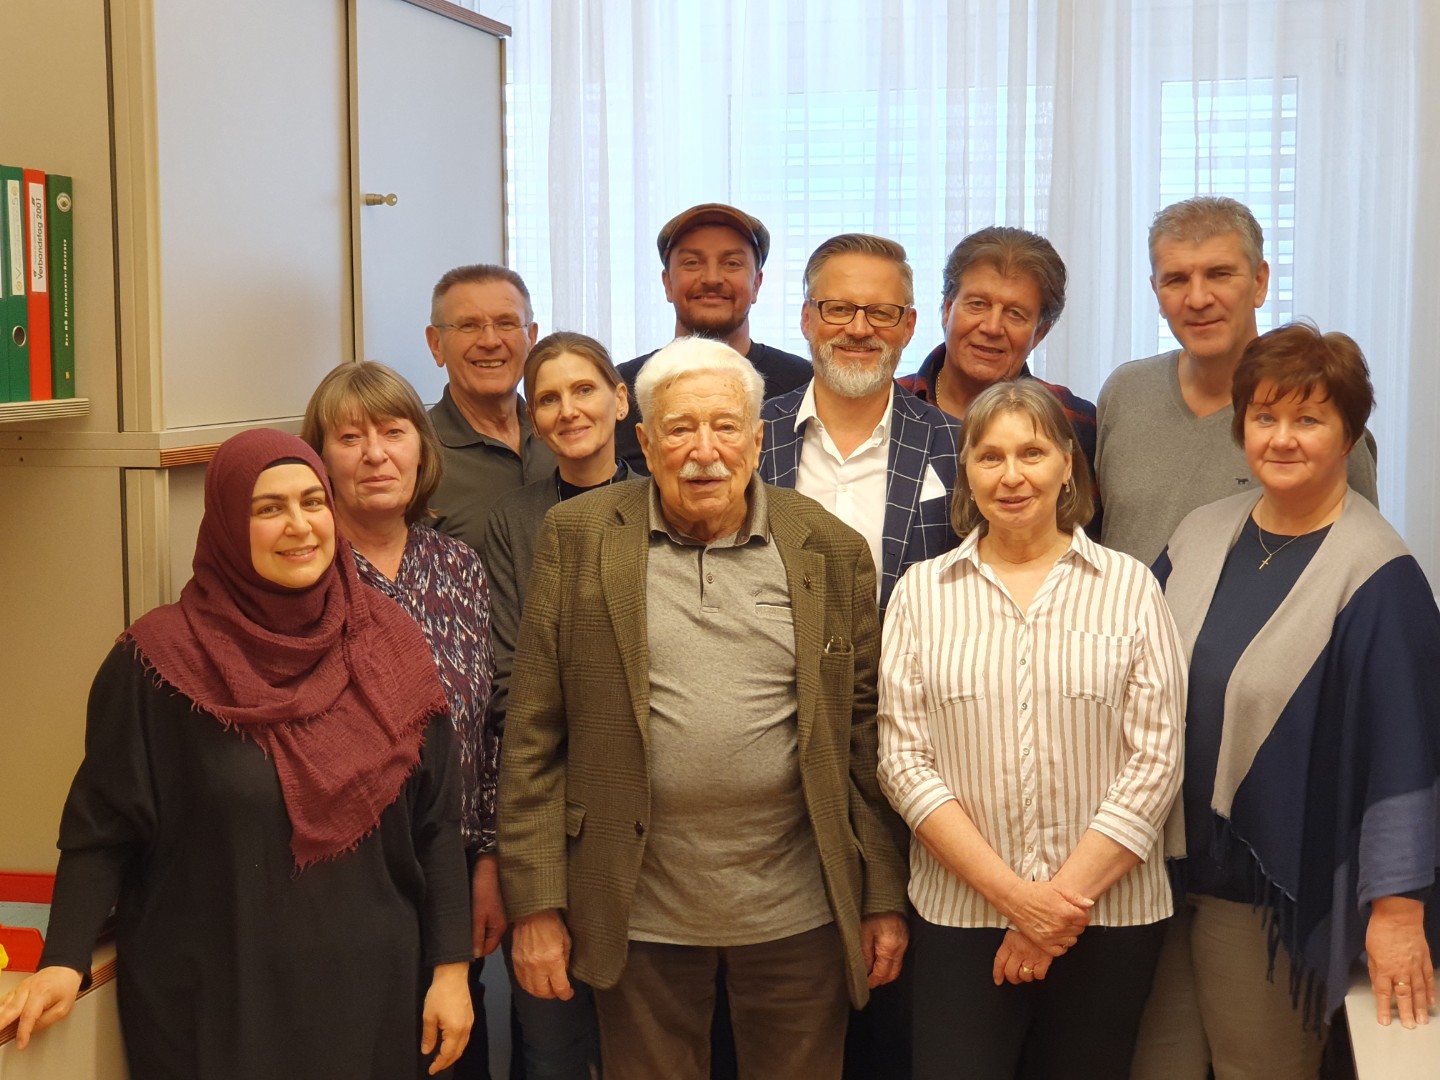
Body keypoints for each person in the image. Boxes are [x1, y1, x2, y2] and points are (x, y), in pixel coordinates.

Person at [497, 337, 910, 1080]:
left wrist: (882, 894)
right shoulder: (579, 536)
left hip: (799, 909)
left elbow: (862, 735)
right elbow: (533, 734)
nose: (704, 451)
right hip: (637, 907)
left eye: (725, 427)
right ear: (645, 441)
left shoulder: (829, 547)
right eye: (680, 429)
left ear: (757, 439)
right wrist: (534, 906)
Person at [0, 429, 472, 1078]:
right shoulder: (159, 665)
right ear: (225, 522)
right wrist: (62, 960)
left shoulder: (389, 642)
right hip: (217, 1007)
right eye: (268, 508)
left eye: (312, 501)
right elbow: (101, 833)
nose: (299, 525)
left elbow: (437, 825)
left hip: (374, 999)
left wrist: (450, 970)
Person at [1130, 324, 1440, 1080]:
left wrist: (1399, 913)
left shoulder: (1380, 574)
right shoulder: (1200, 534)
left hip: (1269, 892)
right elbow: (1130, 668)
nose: (1282, 438)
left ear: (1349, 436)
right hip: (1155, 876)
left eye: (1309, 418)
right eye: (1264, 416)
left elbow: (1406, 756)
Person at [877, 380, 1186, 1080]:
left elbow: (1157, 759)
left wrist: (1055, 910)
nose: (1011, 476)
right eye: (990, 457)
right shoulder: (921, 594)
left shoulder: (1131, 587)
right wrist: (1020, 902)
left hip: (1108, 919)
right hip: (963, 918)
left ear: (1068, 465)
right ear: (967, 472)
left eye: (1032, 453)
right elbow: (903, 761)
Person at [301, 361, 499, 1080]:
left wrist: (489, 861)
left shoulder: (460, 566)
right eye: (349, 438)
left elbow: (488, 724)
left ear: (421, 446)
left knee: (454, 1055)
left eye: (392, 432)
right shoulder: (302, 574)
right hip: (342, 886)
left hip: (454, 872)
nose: (375, 454)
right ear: (319, 460)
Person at [481, 331, 632, 1078]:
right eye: (547, 399)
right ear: (533, 420)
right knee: (554, 1047)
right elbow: (511, 680)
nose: (568, 410)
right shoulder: (514, 522)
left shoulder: (665, 501)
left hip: (648, 823)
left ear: (620, 400)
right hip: (549, 811)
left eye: (584, 390)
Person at [1095, 196, 1378, 566]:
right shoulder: (1124, 393)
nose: (1198, 299)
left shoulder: (1318, 414)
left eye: (1220, 274)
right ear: (1157, 293)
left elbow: (1361, 560)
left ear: (1260, 282)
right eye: (1177, 280)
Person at [761, 233, 960, 624]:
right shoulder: (753, 435)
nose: (858, 328)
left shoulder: (957, 445)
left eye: (881, 313)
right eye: (838, 309)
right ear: (806, 319)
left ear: (909, 326)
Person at [895, 227, 1097, 496]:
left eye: (1015, 314)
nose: (991, 327)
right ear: (947, 310)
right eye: (977, 304)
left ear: (1039, 333)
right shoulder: (887, 407)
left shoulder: (1075, 422)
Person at [615, 203, 811, 474]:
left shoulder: (804, 386)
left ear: (756, 284)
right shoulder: (621, 392)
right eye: (692, 263)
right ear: (667, 283)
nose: (712, 278)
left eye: (732, 263)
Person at [426, 263, 557, 550]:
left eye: (506, 323)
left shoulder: (564, 434)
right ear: (436, 344)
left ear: (531, 338)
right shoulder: (416, 455)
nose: (489, 341)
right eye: (468, 325)